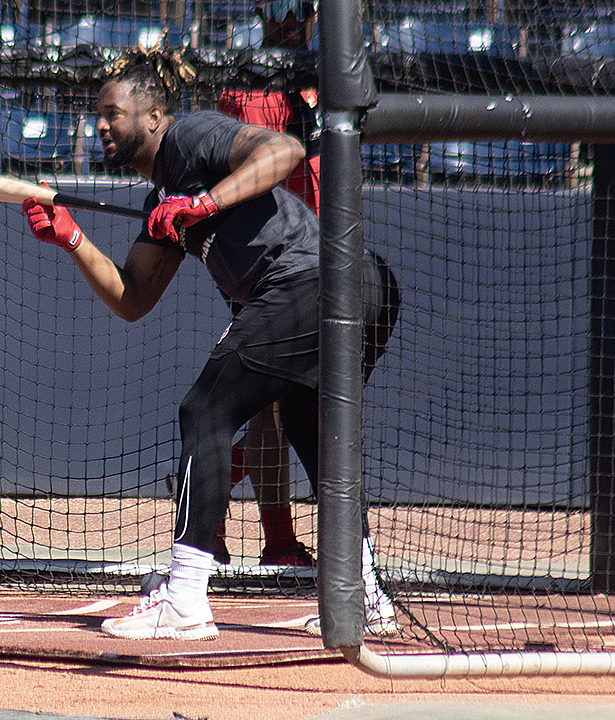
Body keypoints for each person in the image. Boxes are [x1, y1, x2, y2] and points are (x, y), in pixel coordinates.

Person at [21, 47, 399, 641]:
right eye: (96, 115)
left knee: (205, 410)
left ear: (152, 117)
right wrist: (72, 237)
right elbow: (132, 297)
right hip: (353, 289)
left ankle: (187, 598)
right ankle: (366, 594)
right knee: (312, 432)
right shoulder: (160, 203)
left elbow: (286, 150)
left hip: (320, 281)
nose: (99, 125)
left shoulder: (191, 136)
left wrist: (204, 203)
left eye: (111, 113)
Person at [214, 0, 323, 569]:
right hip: (265, 256)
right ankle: (276, 537)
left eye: (298, 8)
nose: (287, 18)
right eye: (277, 7)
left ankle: (209, 474)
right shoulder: (246, 84)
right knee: (269, 403)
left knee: (300, 399)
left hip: (321, 252)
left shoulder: (327, 78)